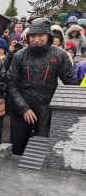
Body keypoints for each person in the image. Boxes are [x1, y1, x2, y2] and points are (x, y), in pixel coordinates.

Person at [8, 18, 76, 155]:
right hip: (22, 108)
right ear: (28, 37)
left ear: (48, 36)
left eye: (40, 36)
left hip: (46, 109)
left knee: (40, 149)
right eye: (33, 36)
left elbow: (70, 84)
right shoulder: (19, 56)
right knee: (18, 149)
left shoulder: (59, 55)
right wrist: (24, 108)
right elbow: (11, 83)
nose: (36, 39)